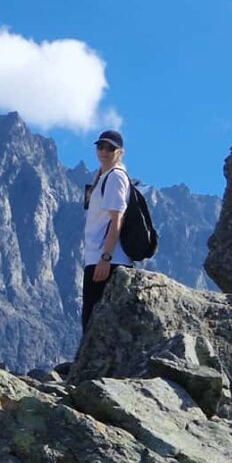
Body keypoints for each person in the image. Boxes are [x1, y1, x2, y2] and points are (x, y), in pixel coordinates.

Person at [81, 129, 133, 332]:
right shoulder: (104, 177)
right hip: (99, 259)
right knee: (92, 322)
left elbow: (117, 218)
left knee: (93, 324)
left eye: (110, 148)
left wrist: (105, 258)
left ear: (120, 152)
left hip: (107, 261)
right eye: (100, 146)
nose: (104, 151)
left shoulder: (115, 177)